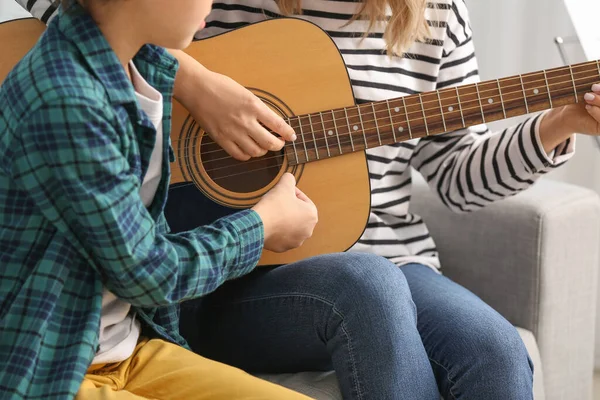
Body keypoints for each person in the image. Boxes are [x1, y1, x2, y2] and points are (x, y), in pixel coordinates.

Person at [15, 0, 600, 399]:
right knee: (367, 288)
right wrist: (192, 80)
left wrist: (556, 125)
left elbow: (453, 175)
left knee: (493, 350)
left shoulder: (434, 13)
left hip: (388, 254)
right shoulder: (193, 9)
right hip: (224, 272)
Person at [0, 0, 335, 398]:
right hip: (53, 366)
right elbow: (151, 276)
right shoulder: (66, 103)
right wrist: (263, 225)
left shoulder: (143, 68)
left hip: (132, 348)